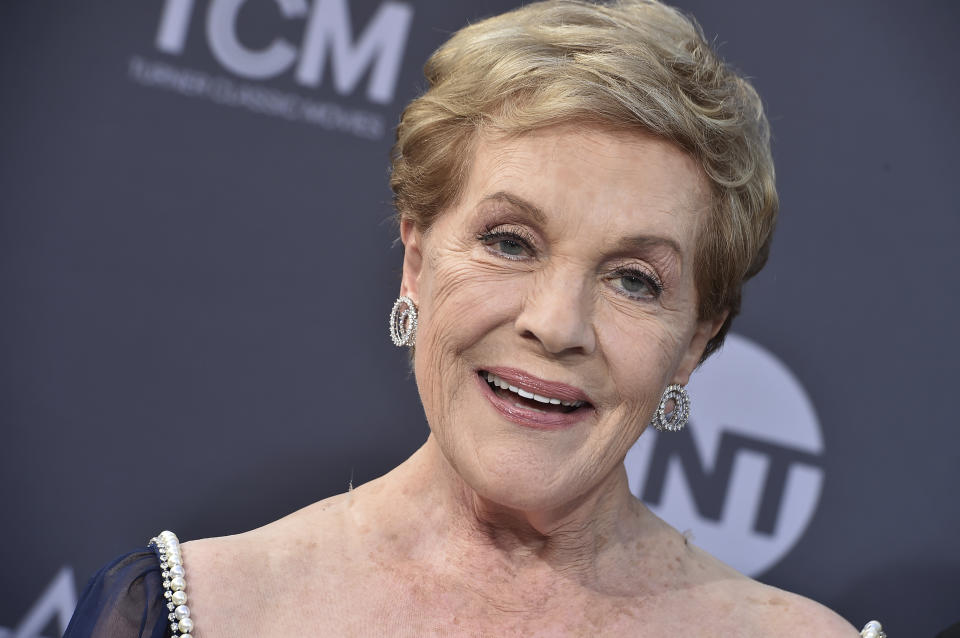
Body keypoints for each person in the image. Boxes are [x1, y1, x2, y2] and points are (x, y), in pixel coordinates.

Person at [65, 1, 884, 636]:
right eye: (510, 242)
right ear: (415, 260)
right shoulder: (187, 612)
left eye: (634, 280)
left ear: (693, 346)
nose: (557, 323)